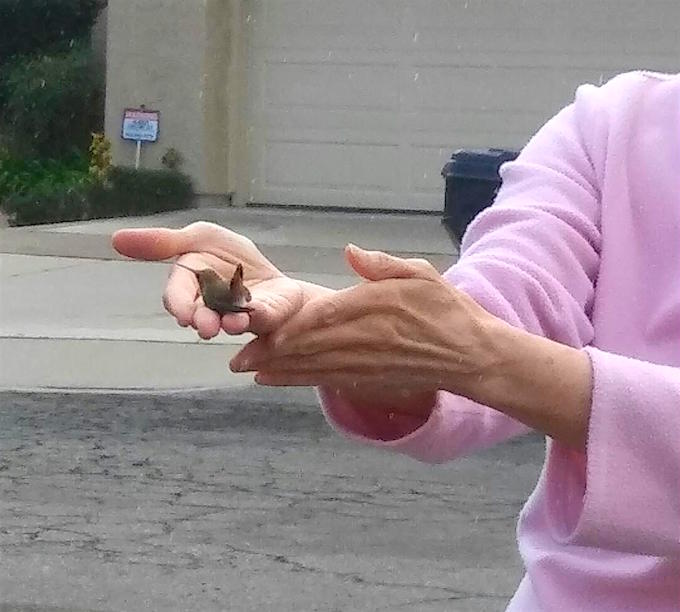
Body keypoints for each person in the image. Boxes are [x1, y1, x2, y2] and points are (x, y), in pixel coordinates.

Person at [112, 70, 680, 611]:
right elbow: (508, 296)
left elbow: (481, 344)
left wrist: (485, 358)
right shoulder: (612, 125)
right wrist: (364, 331)